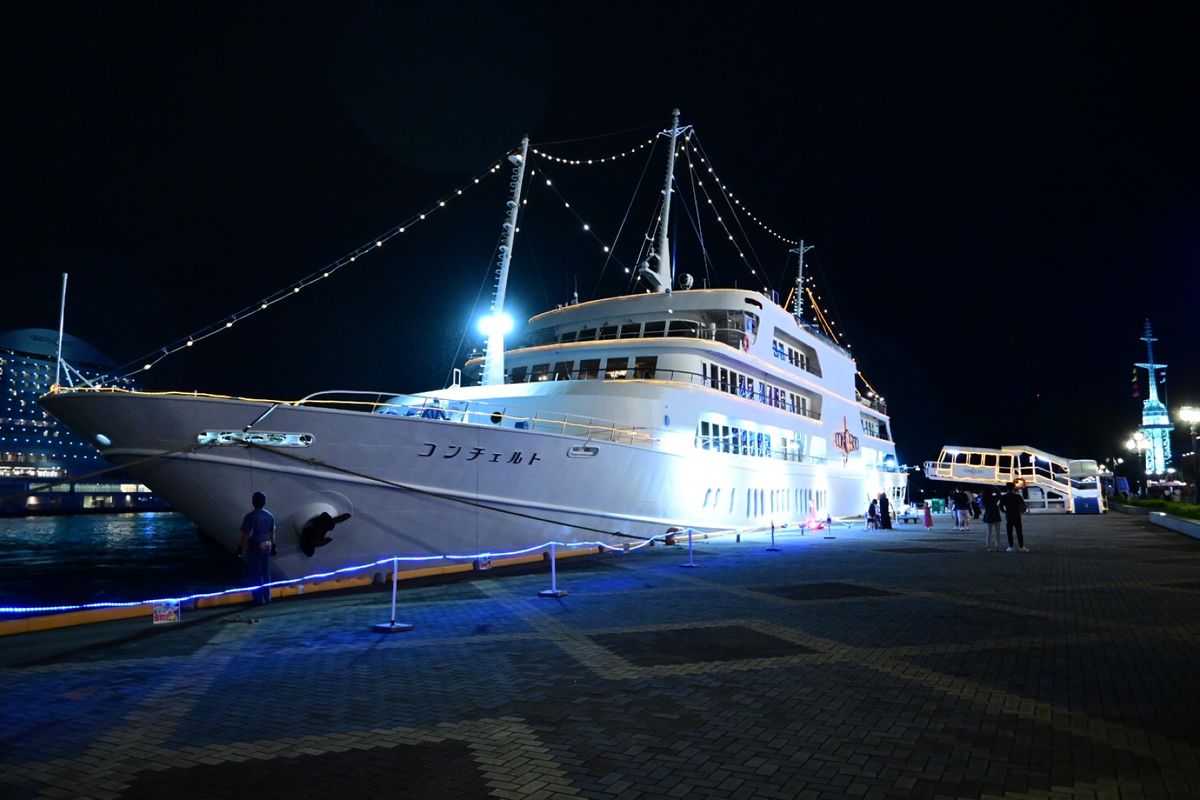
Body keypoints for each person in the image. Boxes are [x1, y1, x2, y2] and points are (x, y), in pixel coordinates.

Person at [238, 491, 276, 605]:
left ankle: (258, 599)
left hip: (256, 546)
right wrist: (274, 546)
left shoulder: (250, 517)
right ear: (264, 502)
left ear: (253, 502)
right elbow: (272, 533)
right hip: (267, 545)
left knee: (255, 573)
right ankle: (267, 596)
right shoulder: (269, 515)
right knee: (266, 572)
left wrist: (241, 547)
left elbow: (246, 534)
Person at [999, 482, 1028, 553]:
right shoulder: (1018, 496)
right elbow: (1023, 505)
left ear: (1006, 488)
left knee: (1009, 532)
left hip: (1009, 515)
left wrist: (1005, 511)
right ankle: (1021, 547)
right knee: (1019, 532)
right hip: (1017, 515)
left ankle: (1011, 547)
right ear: (1014, 488)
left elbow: (1000, 506)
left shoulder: (1004, 496)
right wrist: (1021, 511)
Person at [981, 486, 1003, 552]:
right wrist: (994, 487)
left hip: (988, 515)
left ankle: (989, 547)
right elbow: (999, 493)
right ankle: (998, 547)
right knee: (997, 532)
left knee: (989, 532)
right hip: (996, 515)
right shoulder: (994, 498)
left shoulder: (983, 499)